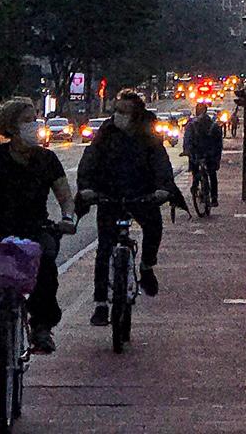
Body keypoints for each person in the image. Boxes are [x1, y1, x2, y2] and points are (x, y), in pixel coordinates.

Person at [0, 97, 77, 384]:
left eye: (36, 120)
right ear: (12, 127)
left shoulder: (47, 160)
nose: (35, 126)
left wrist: (68, 219)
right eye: (28, 121)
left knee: (45, 259)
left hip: (35, 227)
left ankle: (42, 326)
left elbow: (65, 197)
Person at [76, 88, 174, 326]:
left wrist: (162, 189)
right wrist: (86, 188)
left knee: (154, 227)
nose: (117, 116)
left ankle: (146, 266)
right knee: (104, 248)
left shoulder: (148, 135)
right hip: (109, 195)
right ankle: (100, 303)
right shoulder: (106, 133)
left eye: (123, 112)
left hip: (142, 194)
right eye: (116, 111)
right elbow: (90, 160)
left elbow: (161, 162)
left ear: (136, 115)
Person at [183, 101, 224, 211]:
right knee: (212, 175)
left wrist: (187, 151)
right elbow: (219, 143)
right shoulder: (213, 124)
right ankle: (214, 198)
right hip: (210, 154)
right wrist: (217, 157)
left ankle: (195, 186)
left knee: (196, 170)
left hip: (197, 153)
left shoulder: (191, 124)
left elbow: (187, 139)